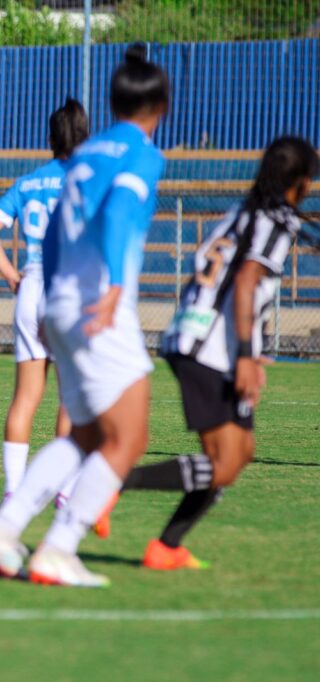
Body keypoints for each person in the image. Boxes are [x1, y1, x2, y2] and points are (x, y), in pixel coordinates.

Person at [0, 44, 169, 587]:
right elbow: (121, 214)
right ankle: (59, 545)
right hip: (97, 302)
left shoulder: (85, 155)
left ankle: (7, 528)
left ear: (113, 101)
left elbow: (56, 230)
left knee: (83, 433)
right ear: (162, 105)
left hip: (52, 295)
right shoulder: (142, 154)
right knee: (127, 436)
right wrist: (112, 287)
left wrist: (46, 294)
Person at [110, 136, 317, 570]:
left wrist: (250, 351)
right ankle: (110, 483)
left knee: (237, 456)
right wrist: (244, 353)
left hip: (201, 339)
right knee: (224, 463)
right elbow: (244, 284)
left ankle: (166, 547)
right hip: (211, 351)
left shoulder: (244, 211)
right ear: (299, 181)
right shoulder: (277, 221)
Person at [0, 98, 89, 505]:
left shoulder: (29, 182)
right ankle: (63, 489)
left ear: (50, 138)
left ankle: (12, 491)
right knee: (70, 397)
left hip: (32, 286)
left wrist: (10, 274)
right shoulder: (89, 180)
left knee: (25, 397)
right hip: (68, 289)